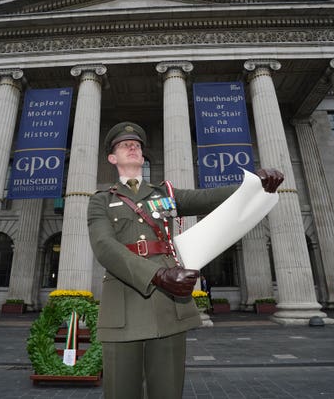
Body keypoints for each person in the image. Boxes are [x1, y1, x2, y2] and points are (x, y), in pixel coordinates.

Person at [87, 121, 284, 399]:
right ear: (112, 158)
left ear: (143, 157)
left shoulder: (164, 194)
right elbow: (103, 246)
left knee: (167, 390)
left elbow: (208, 198)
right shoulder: (101, 201)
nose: (132, 147)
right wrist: (156, 275)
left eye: (137, 145)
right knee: (121, 391)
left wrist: (255, 184)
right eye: (124, 145)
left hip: (168, 303)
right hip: (124, 303)